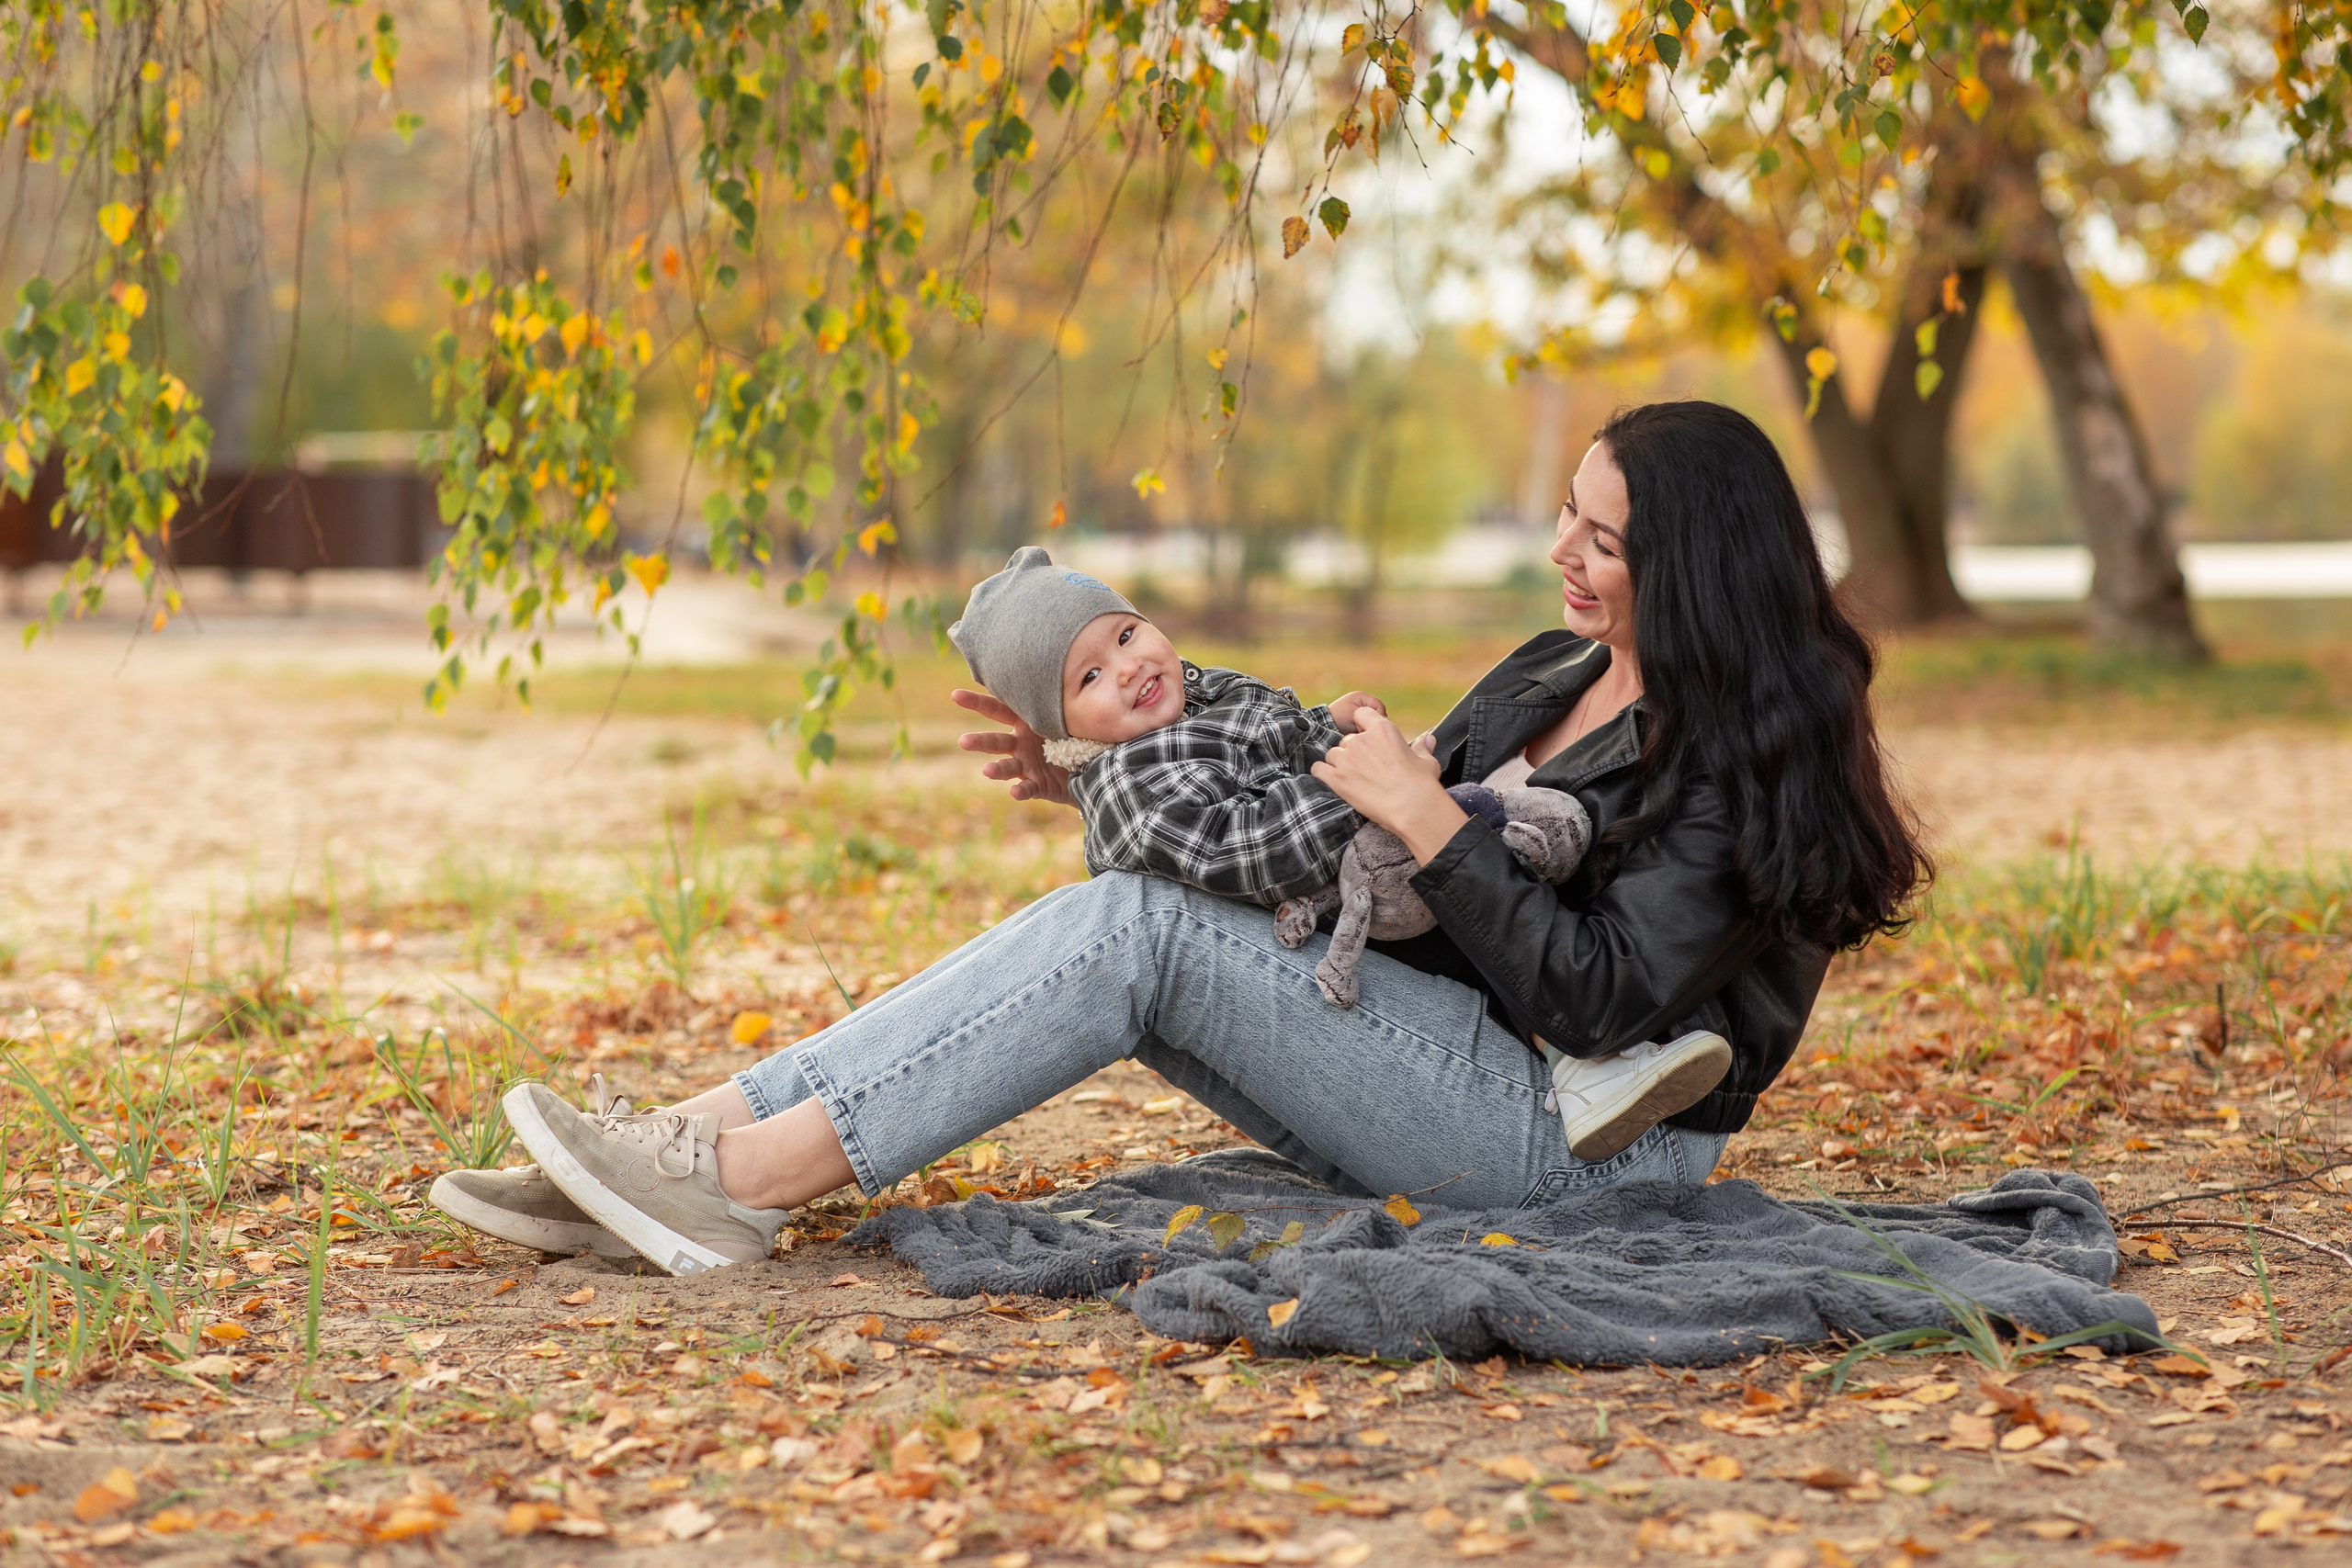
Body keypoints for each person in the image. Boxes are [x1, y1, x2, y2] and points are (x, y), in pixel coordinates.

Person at [439, 400, 1930, 1278]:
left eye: (1602, 541)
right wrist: (1104, 769)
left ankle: (741, 1184)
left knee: (1134, 928)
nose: (1563, 554)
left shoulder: (1745, 753)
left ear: (1698, 561)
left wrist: (1429, 816)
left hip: (1597, 1150)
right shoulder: (1557, 670)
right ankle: (689, 1138)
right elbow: (1347, 814)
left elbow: (1599, 1001)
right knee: (1129, 897)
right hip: (1451, 1068)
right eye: (1566, 516)